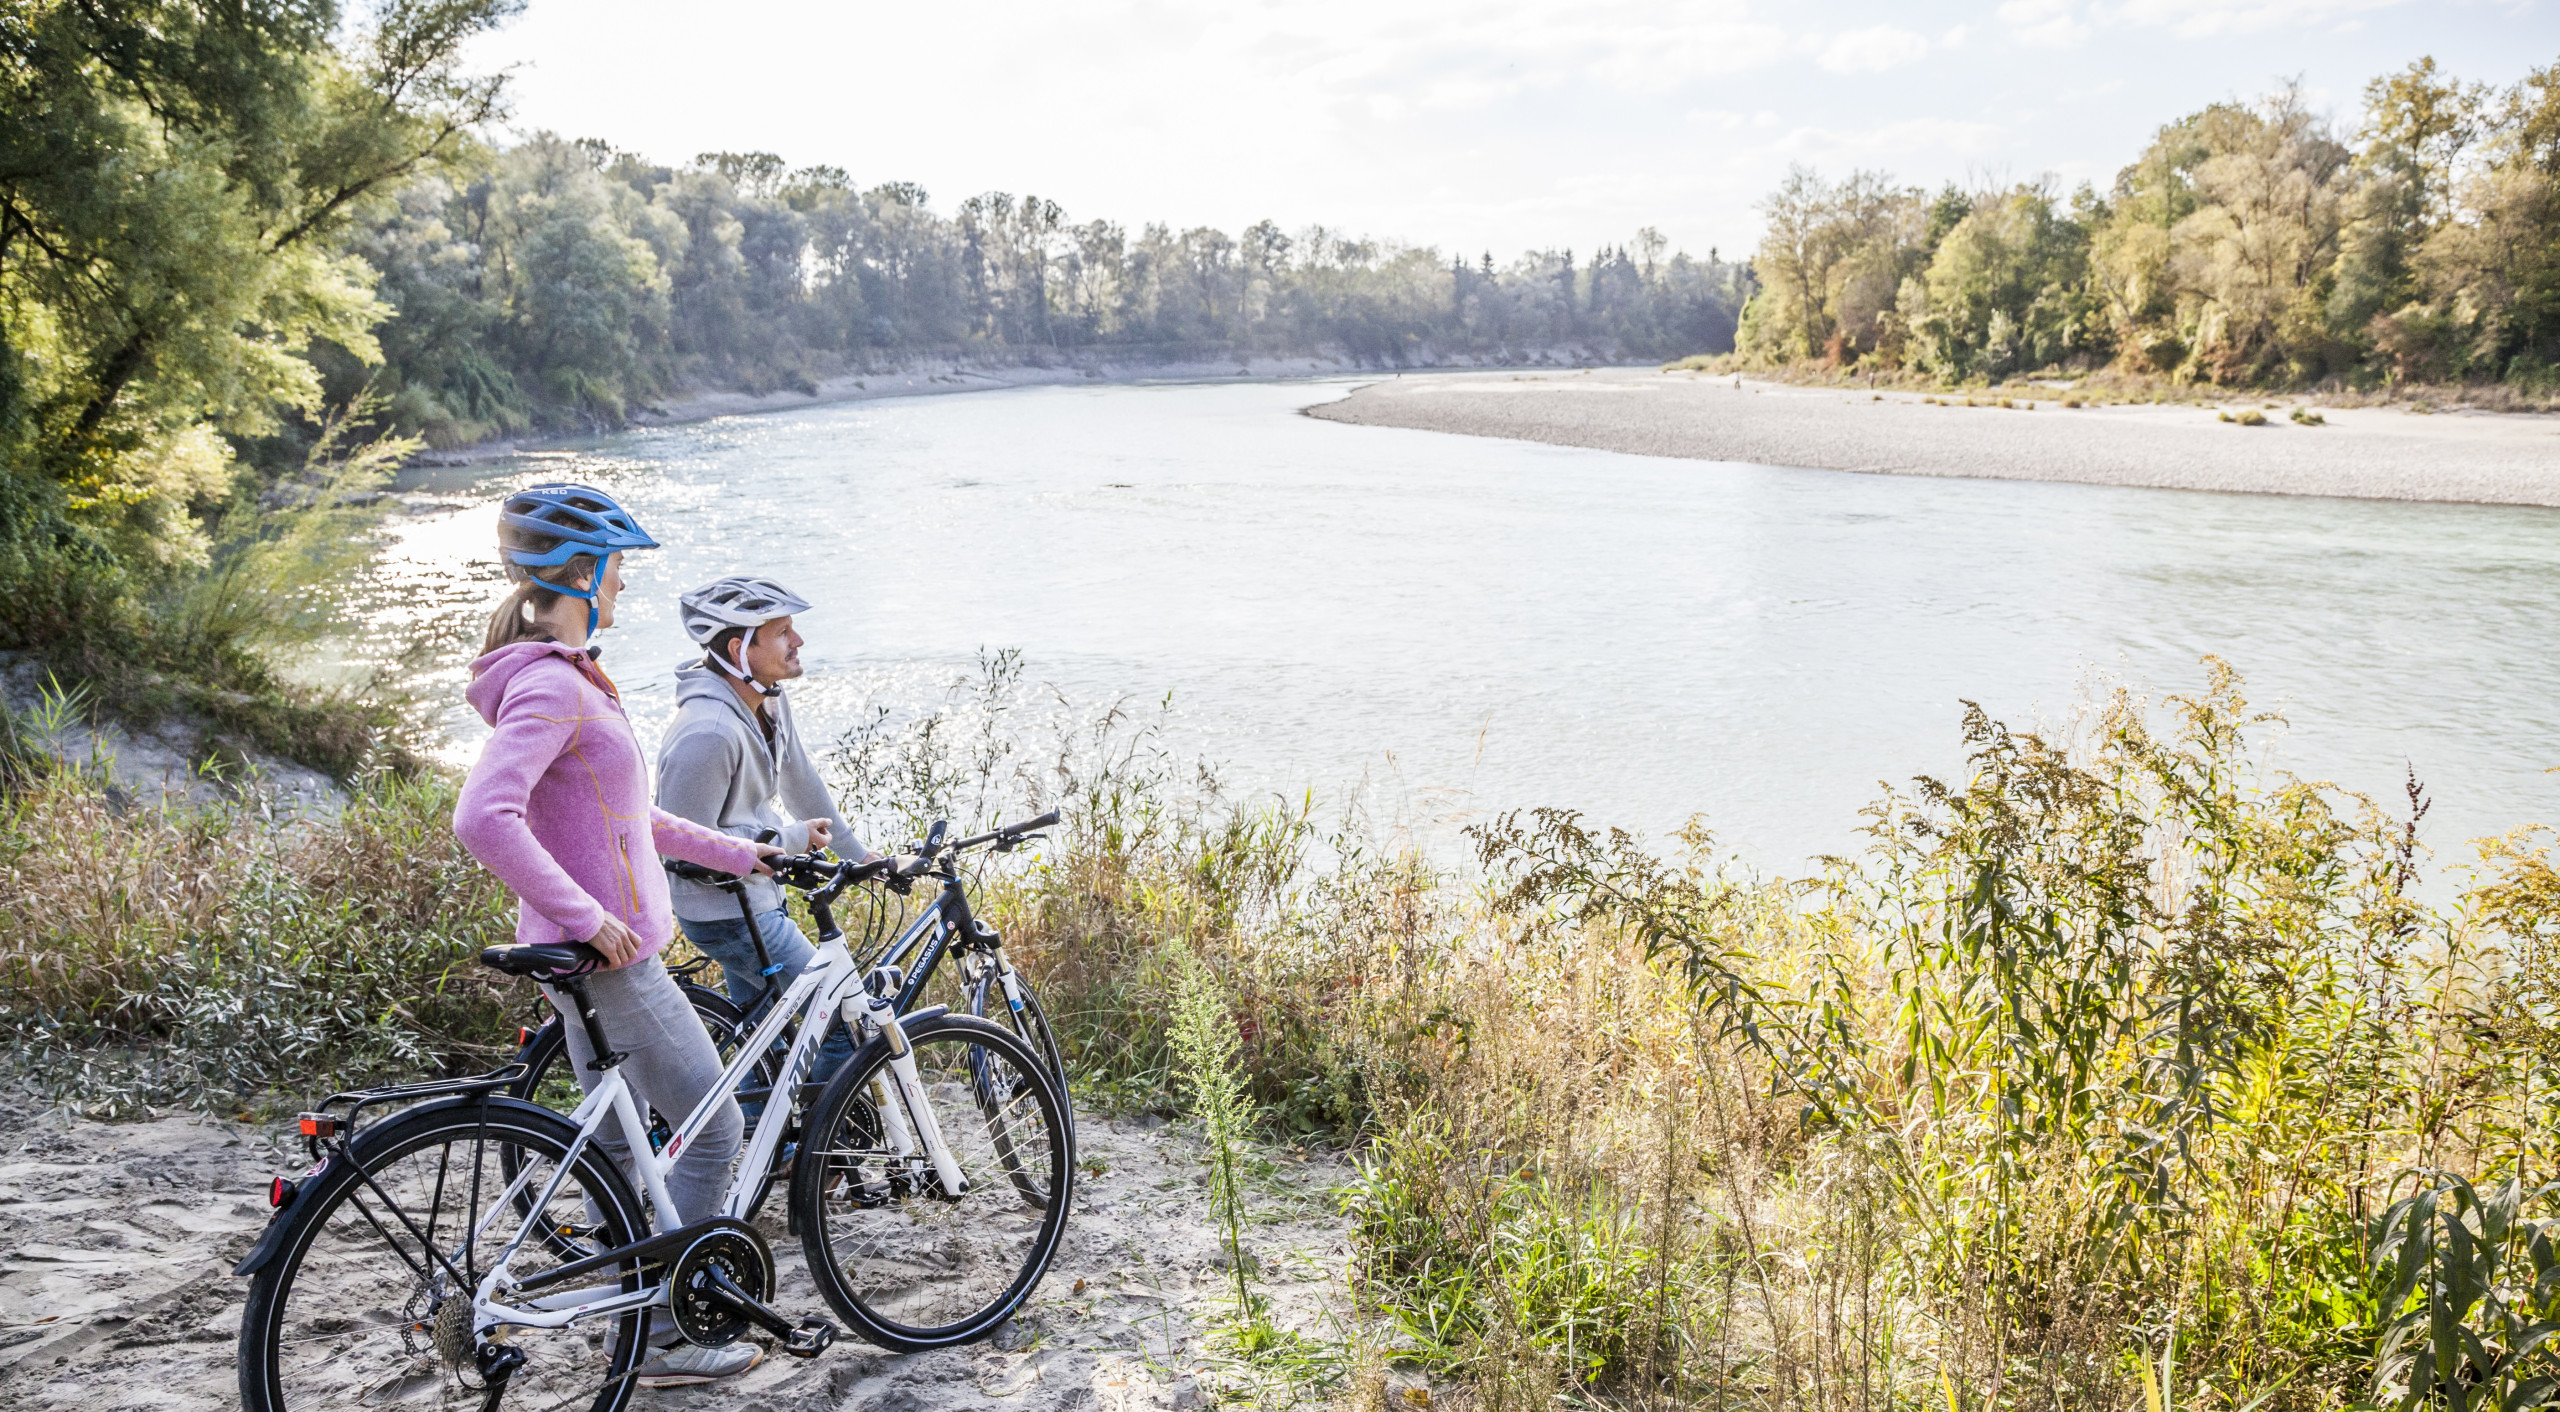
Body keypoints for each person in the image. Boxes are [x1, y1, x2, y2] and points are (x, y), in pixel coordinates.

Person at [450, 484, 776, 1389]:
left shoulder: (564, 677)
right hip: (608, 964)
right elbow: (483, 818)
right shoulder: (554, 683)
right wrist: (592, 918)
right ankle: (671, 1339)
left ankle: (629, 1318)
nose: (626, 587)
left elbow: (633, 819)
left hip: (589, 960)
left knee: (624, 1149)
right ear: (585, 576)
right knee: (713, 1131)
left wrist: (745, 854)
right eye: (620, 570)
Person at [656, 575, 877, 1107]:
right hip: (723, 913)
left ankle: (765, 1145)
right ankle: (815, 1151)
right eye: (782, 632)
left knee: (763, 1041)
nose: (797, 642)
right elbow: (683, 845)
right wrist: (792, 838)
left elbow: (801, 782)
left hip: (755, 903)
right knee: (842, 1012)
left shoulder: (769, 704)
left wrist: (860, 855)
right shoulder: (707, 732)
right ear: (739, 649)